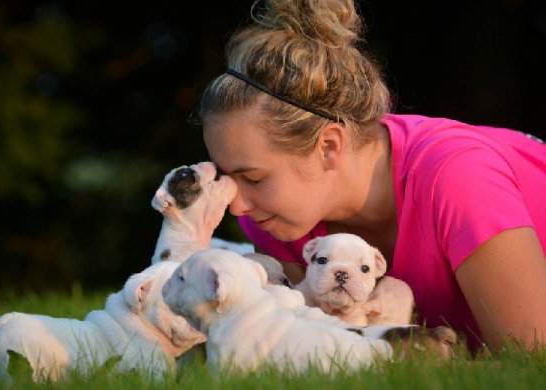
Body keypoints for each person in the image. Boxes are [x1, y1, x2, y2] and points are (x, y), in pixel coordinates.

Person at [195, 0, 546, 353]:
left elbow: (533, 357)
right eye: (227, 179)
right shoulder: (277, 218)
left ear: (329, 147)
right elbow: (312, 352)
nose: (236, 205)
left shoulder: (457, 177)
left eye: (253, 178)